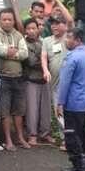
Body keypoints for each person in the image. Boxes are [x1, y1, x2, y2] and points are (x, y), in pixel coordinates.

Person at [56, 27, 85, 171]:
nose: (66, 40)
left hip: (74, 104)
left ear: (77, 41)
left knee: (71, 135)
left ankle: (78, 167)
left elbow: (64, 83)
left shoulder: (71, 57)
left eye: (68, 38)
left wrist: (60, 102)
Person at [0, 8, 30, 151]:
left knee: (19, 110)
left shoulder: (18, 34)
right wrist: (11, 50)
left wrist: (9, 52)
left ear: (13, 21)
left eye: (10, 19)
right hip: (3, 78)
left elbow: (25, 53)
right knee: (4, 111)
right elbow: (0, 51)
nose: (7, 22)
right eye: (4, 19)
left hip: (18, 78)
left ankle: (20, 137)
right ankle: (8, 140)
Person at [23, 18, 54, 146]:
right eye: (29, 29)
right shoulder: (23, 43)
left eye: (34, 28)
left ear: (38, 29)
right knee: (32, 109)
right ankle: (32, 135)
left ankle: (45, 134)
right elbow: (30, 61)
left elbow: (51, 57)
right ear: (25, 30)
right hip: (31, 80)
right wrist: (44, 60)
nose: (31, 31)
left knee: (45, 109)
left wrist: (44, 60)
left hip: (45, 79)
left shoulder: (44, 41)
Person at [42, 14, 69, 152]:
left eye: (58, 23)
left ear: (65, 25)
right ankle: (65, 139)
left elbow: (70, 18)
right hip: (55, 82)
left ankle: (74, 139)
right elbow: (44, 57)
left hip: (71, 82)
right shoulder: (47, 41)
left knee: (71, 110)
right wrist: (46, 70)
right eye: (52, 23)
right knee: (59, 110)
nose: (54, 26)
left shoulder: (68, 38)